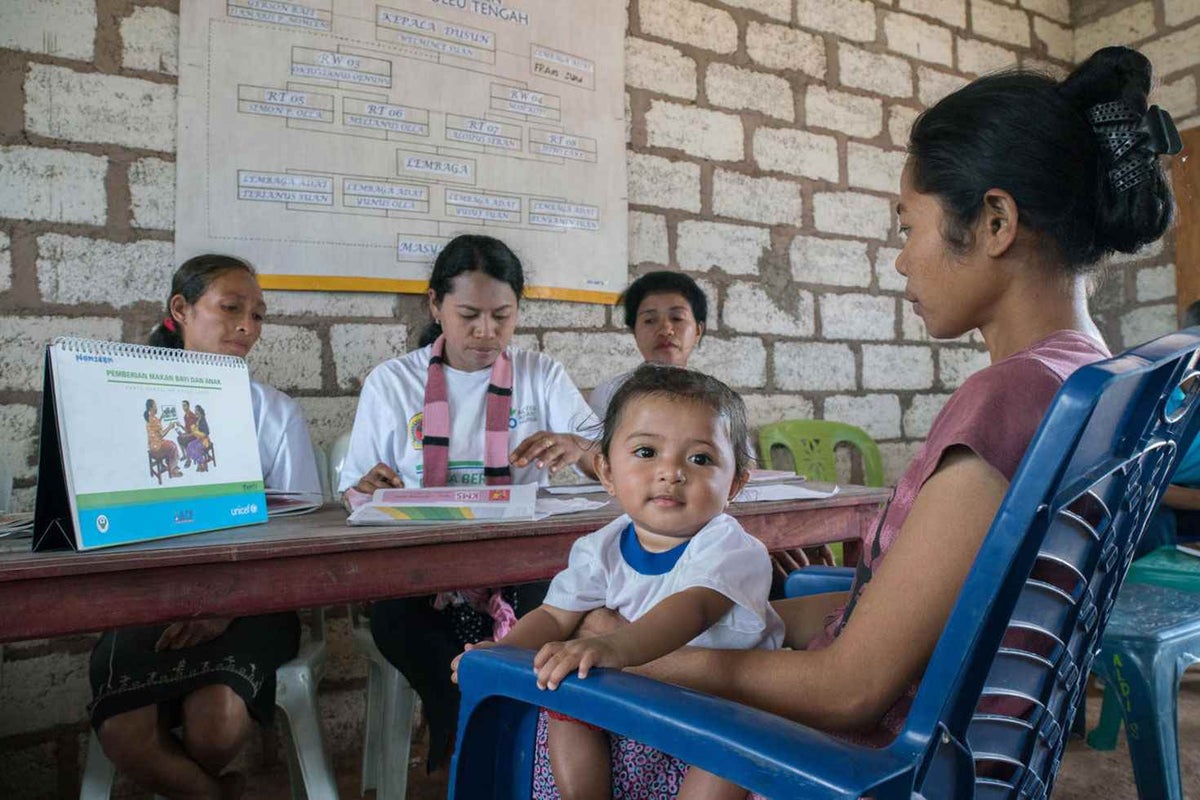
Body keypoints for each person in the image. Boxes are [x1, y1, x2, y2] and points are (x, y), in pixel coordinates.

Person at [493, 46, 1179, 797]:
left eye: (905, 226)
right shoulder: (1097, 383)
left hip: (868, 761)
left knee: (548, 709)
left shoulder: (1007, 402)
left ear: (994, 222)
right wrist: (759, 614)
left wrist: (643, 656)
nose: (901, 262)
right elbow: (937, 608)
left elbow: (847, 690)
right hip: (984, 743)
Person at [454, 365, 782, 799]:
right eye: (647, 452)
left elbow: (693, 607)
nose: (671, 472)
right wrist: (502, 652)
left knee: (735, 752)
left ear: (736, 483)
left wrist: (614, 646)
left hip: (720, 706)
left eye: (700, 459)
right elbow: (555, 615)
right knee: (561, 693)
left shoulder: (731, 547)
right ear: (607, 472)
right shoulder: (601, 547)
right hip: (637, 699)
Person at [338, 233, 600, 772]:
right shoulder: (393, 383)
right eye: (469, 315)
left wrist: (581, 448)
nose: (487, 333)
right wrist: (370, 490)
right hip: (424, 570)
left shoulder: (540, 375)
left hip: (522, 566)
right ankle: (473, 739)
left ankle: (488, 748)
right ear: (435, 305)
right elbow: (356, 492)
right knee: (397, 622)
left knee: (557, 610)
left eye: (502, 316)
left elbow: (613, 465)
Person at [89, 254, 323, 800]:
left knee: (217, 722)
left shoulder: (273, 412)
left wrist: (227, 605)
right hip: (147, 596)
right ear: (181, 309)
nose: (248, 326)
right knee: (125, 731)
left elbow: (299, 531)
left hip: (253, 596)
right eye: (231, 308)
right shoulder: (125, 402)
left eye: (259, 315)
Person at [587, 271, 707, 420]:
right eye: (650, 320)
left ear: (697, 331)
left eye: (677, 318)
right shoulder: (609, 395)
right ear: (635, 332)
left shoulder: (716, 400)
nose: (665, 330)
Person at [145, 398, 182, 479]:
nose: (157, 408)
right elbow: (161, 434)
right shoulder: (153, 419)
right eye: (155, 406)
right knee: (173, 446)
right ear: (151, 408)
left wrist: (161, 417)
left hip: (153, 445)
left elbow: (156, 426)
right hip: (157, 446)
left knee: (170, 444)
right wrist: (169, 427)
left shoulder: (150, 417)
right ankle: (172, 469)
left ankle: (169, 465)